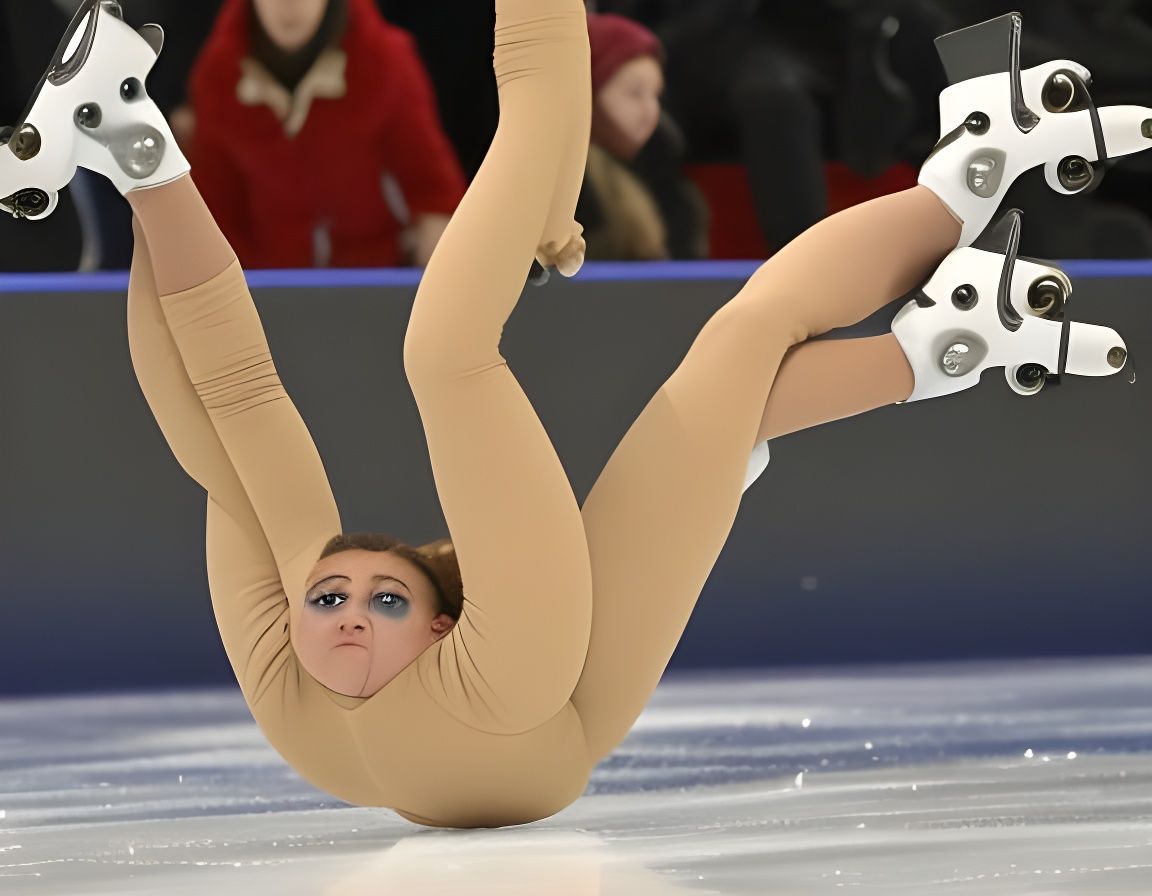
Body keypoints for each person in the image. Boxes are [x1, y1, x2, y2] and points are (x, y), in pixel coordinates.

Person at [0, 3, 1142, 829]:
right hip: (540, 690)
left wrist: (150, 171)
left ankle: (954, 235)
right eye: (377, 595)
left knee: (726, 356)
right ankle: (944, 293)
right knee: (460, 356)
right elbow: (231, 396)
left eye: (348, 594)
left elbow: (215, 405)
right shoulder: (465, 664)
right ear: (442, 619)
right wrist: (547, 119)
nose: (343, 610)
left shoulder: (288, 679)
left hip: (540, 702)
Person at [187, 0, 466, 268]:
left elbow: (435, 200)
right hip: (268, 294)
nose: (288, 3)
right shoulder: (217, 76)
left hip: (371, 289)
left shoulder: (386, 63)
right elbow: (213, 218)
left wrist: (430, 293)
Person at [577, 13, 707, 260]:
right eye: (635, 93)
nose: (651, 111)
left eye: (656, 95)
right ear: (589, 94)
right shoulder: (572, 188)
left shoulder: (664, 168)